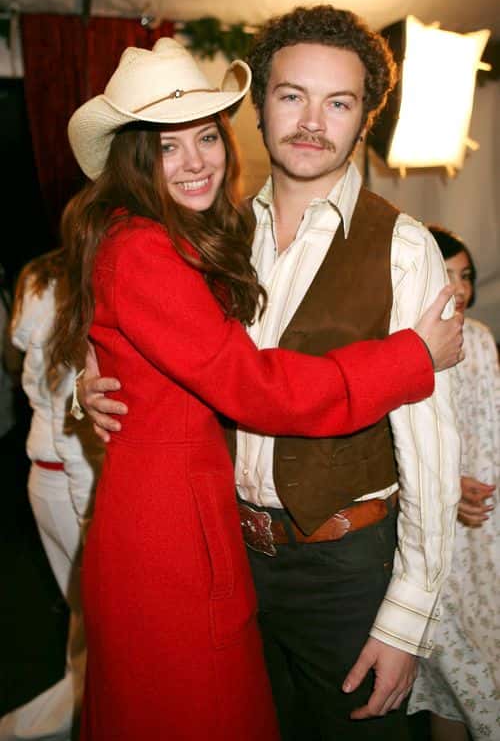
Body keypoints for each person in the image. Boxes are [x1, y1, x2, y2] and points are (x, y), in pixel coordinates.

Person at [69, 36, 462, 741]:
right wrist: (94, 381)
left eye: (337, 101)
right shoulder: (214, 231)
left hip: (339, 566)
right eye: (291, 95)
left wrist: (407, 621)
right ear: (259, 111)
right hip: (218, 550)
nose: (312, 120)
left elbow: (433, 450)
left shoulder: (402, 246)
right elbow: (237, 380)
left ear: (365, 116)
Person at [0, 249, 101, 741]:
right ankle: (83, 720)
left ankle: (81, 715)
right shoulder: (83, 289)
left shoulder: (37, 274)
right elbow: (71, 421)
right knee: (97, 626)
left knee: (84, 622)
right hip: (69, 476)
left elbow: (12, 354)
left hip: (43, 474)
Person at [408, 227, 500, 740]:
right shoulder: (403, 348)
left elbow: (492, 425)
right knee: (447, 675)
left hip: (486, 534)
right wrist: (449, 486)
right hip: (433, 538)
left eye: (465, 276)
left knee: (481, 665)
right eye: (447, 276)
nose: (460, 288)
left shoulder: (482, 339)